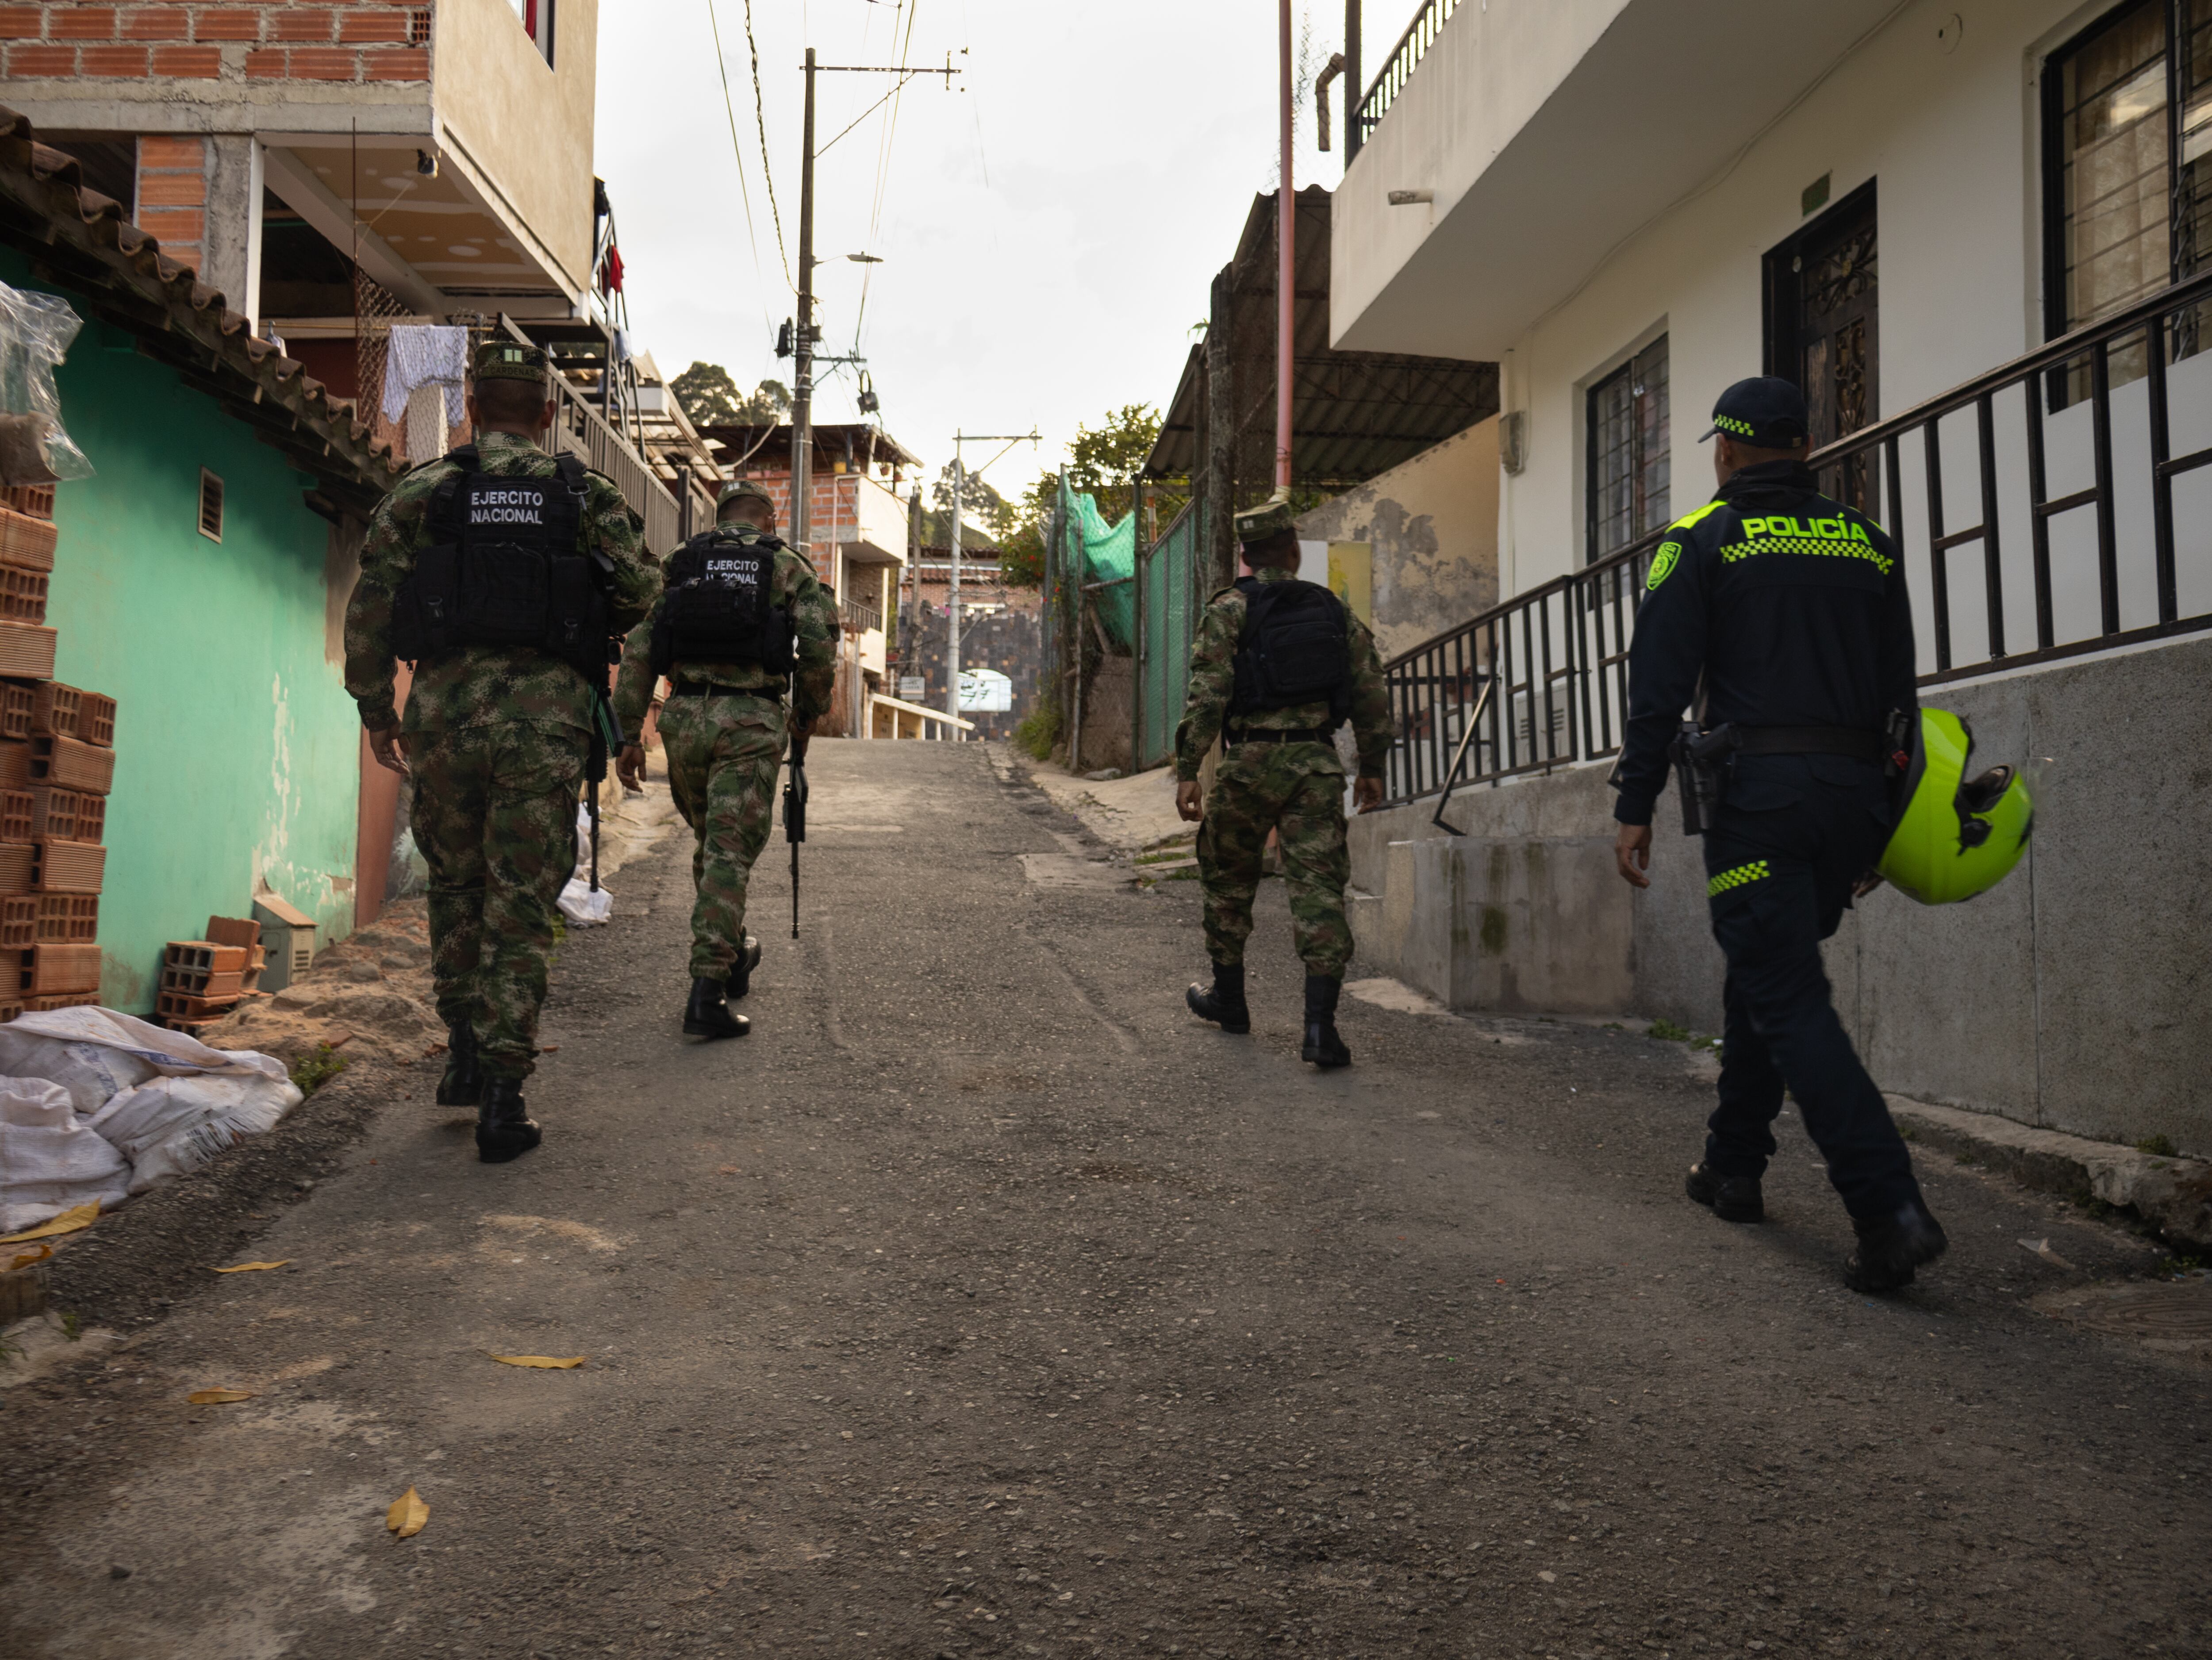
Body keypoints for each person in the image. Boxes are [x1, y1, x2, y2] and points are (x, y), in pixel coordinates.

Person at [1610, 375, 1946, 1293]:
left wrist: (1634, 802)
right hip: (1850, 800)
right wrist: (1884, 823)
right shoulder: (1868, 542)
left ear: (1724, 451)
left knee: (1788, 995)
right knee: (1768, 970)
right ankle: (1734, 1164)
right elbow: (1900, 699)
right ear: (1804, 446)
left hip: (1759, 800)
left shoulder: (1701, 539)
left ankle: (1889, 1209)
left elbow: (1658, 688)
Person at [345, 339, 659, 1162]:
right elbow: (642, 594)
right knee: (520, 899)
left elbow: (371, 604)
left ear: (474, 408)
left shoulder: (427, 490)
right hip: (546, 725)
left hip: (444, 720)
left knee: (456, 884)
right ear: (548, 414)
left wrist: (378, 709)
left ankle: (464, 1051)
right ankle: (504, 1095)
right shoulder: (583, 494)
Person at [612, 479, 836, 1038]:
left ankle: (734, 953)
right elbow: (818, 646)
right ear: (768, 520)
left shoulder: (682, 562)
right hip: (750, 722)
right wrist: (806, 715)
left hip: (684, 721)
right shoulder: (786, 565)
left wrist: (628, 732)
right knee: (728, 854)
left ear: (719, 518)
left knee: (714, 844)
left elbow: (639, 648)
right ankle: (707, 991)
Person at [1174, 492, 1390, 1067]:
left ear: (1246, 556)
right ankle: (1320, 1030)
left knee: (1227, 879)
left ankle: (1231, 1001)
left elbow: (1208, 694)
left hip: (1247, 763)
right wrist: (1372, 766)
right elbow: (1371, 691)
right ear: (1293, 551)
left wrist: (1188, 769)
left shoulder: (1228, 610)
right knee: (1318, 889)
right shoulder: (1332, 609)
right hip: (1315, 766)